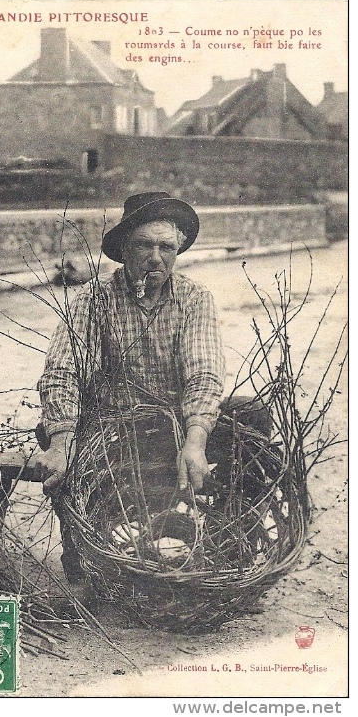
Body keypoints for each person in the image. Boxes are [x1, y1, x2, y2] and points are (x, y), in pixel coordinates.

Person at [36, 191, 272, 590]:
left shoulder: (194, 299)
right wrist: (61, 441)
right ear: (124, 250)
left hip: (177, 425)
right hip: (116, 427)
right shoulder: (94, 300)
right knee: (57, 435)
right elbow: (63, 372)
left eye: (166, 247)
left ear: (178, 250)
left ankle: (233, 541)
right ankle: (83, 547)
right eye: (144, 245)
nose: (155, 257)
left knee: (250, 414)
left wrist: (195, 441)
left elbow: (204, 372)